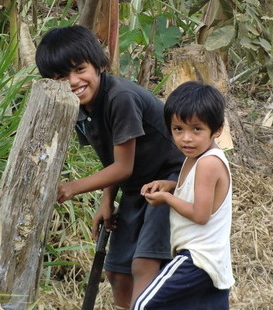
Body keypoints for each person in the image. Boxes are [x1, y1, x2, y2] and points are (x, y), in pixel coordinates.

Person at [35, 25, 185, 309]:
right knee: (116, 269)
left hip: (169, 181)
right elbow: (111, 160)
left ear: (99, 64)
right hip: (136, 188)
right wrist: (106, 201)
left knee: (144, 263)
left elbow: (123, 167)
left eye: (80, 69)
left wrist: (71, 188)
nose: (73, 81)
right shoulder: (81, 108)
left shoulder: (120, 98)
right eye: (61, 77)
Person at [133, 80, 235, 310]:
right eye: (178, 129)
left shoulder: (208, 163)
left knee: (143, 305)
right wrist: (170, 186)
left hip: (197, 258)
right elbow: (198, 194)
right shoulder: (198, 155)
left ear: (217, 130)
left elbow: (200, 215)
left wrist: (167, 199)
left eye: (196, 129)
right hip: (213, 260)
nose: (186, 138)